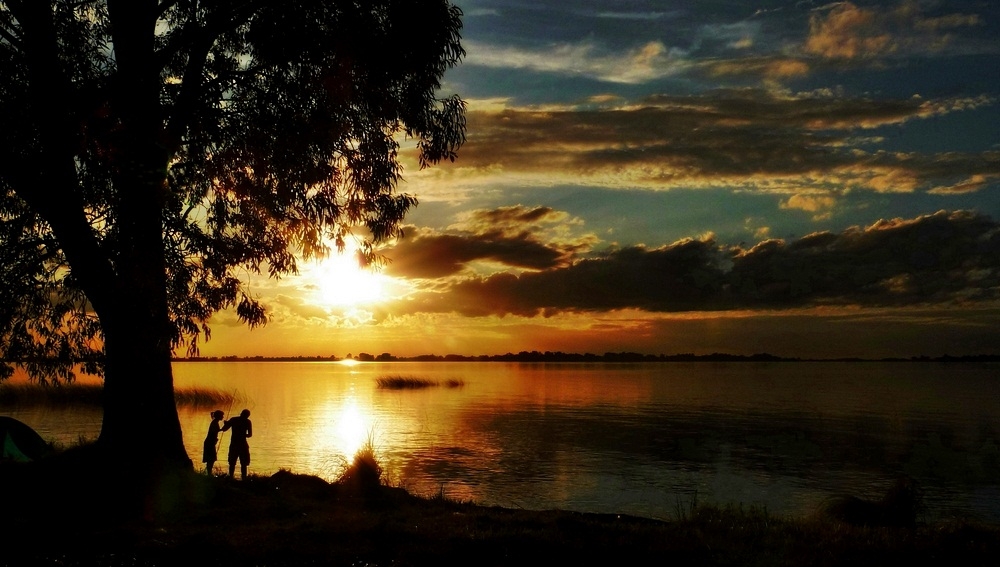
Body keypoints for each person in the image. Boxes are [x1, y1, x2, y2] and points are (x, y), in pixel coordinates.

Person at [222, 408, 252, 479]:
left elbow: (224, 429)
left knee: (232, 462)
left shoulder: (234, 419)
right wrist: (243, 434)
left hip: (234, 444)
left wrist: (225, 424)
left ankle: (231, 477)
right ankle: (244, 478)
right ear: (247, 416)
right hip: (243, 445)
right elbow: (250, 435)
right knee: (243, 463)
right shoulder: (248, 422)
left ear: (241, 413)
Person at [202, 409, 225, 475]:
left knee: (211, 459)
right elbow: (215, 431)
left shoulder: (215, 422)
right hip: (210, 443)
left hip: (210, 442)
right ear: (218, 416)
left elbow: (216, 431)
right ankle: (209, 473)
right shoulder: (214, 423)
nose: (223, 417)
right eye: (222, 416)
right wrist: (223, 428)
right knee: (210, 459)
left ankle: (209, 473)